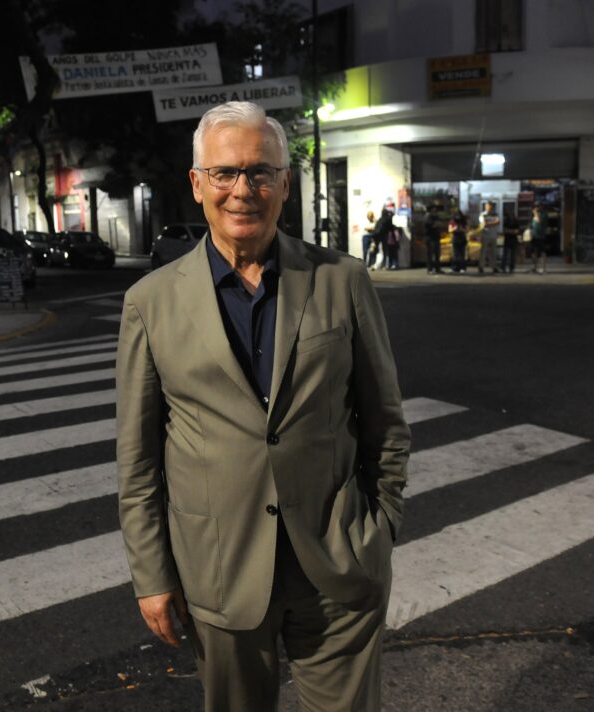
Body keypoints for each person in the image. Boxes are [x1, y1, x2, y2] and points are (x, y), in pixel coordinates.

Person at [117, 101, 411, 712]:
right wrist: (152, 576)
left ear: (284, 183)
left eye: (259, 172)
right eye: (225, 173)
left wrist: (378, 530)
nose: (241, 190)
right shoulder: (151, 302)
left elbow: (384, 420)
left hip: (337, 561)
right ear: (197, 185)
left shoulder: (341, 280)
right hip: (219, 568)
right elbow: (139, 460)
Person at [372, 202, 396, 270]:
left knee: (378, 251)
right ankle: (385, 265)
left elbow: (375, 229)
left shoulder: (379, 220)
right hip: (384, 237)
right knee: (386, 251)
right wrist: (394, 238)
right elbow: (391, 229)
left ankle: (376, 264)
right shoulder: (388, 219)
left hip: (377, 237)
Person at [477, 201, 500, 274]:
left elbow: (498, 222)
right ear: (485, 207)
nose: (489, 207)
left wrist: (488, 223)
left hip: (493, 235)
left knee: (494, 252)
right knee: (483, 252)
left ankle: (494, 267)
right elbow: (484, 224)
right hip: (485, 235)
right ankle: (481, 267)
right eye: (488, 206)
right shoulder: (482, 215)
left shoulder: (495, 214)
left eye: (490, 206)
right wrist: (493, 223)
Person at [423, 204, 443, 274]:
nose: (435, 210)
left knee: (437, 254)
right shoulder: (428, 216)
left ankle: (437, 268)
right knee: (430, 254)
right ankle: (430, 269)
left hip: (436, 237)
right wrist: (436, 224)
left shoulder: (435, 216)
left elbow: (439, 224)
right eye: (434, 208)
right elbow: (431, 225)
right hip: (430, 238)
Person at [529, 205, 548, 274]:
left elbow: (539, 221)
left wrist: (535, 213)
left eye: (535, 208)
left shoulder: (543, 214)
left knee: (542, 252)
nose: (534, 209)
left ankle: (543, 268)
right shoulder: (534, 216)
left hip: (540, 236)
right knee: (533, 252)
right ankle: (534, 267)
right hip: (534, 236)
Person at [449, 208, 468, 273]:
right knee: (455, 254)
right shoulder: (452, 221)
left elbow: (467, 230)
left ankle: (462, 267)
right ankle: (455, 267)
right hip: (455, 238)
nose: (458, 216)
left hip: (462, 238)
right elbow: (450, 230)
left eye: (459, 214)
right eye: (456, 214)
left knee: (462, 254)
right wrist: (455, 228)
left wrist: (462, 229)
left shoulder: (463, 221)